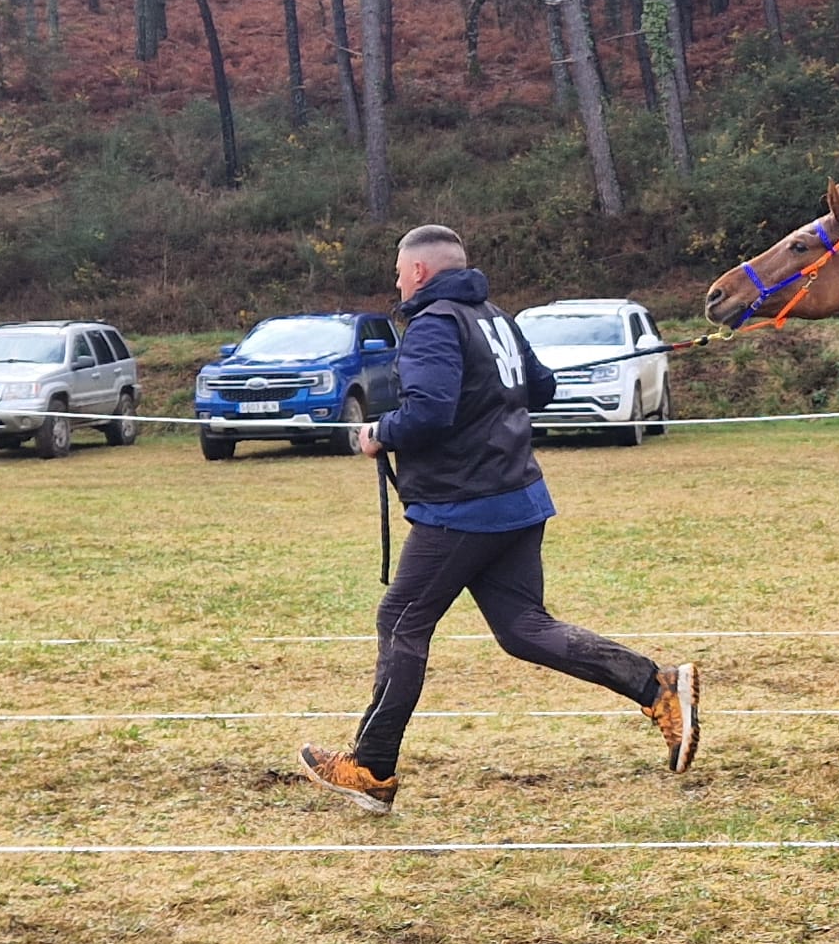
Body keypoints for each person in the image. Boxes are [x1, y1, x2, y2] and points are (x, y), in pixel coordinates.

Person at [297, 224, 699, 814]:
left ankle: (372, 767)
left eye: (398, 270)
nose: (395, 279)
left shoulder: (434, 323)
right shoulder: (494, 316)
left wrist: (380, 432)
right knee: (523, 628)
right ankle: (655, 685)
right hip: (516, 496)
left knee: (402, 621)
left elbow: (430, 412)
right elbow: (543, 386)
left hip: (464, 505)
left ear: (419, 272)